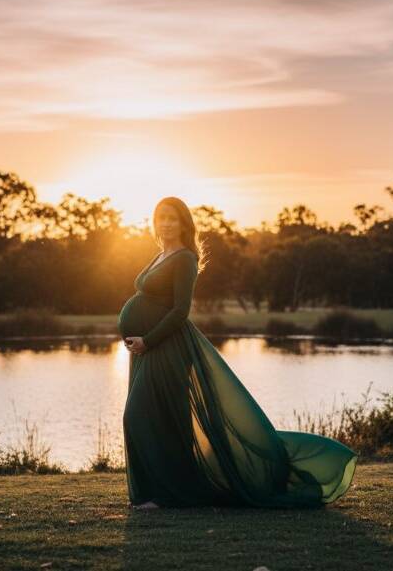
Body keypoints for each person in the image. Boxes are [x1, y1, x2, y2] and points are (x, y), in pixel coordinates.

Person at [118, 196, 357, 510]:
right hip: (147, 349)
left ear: (184, 223)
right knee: (159, 419)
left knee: (138, 416)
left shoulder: (185, 258)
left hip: (167, 347)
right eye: (161, 217)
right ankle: (157, 493)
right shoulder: (160, 255)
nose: (166, 223)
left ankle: (167, 494)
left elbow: (180, 311)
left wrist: (148, 340)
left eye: (172, 218)